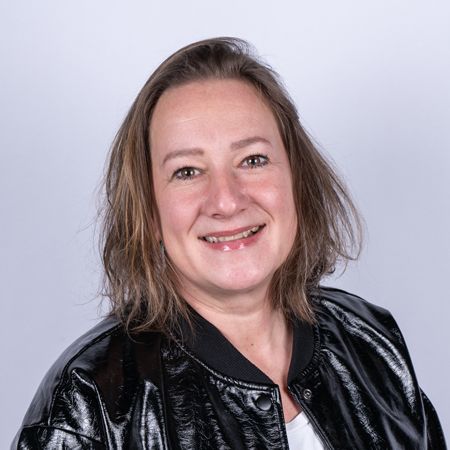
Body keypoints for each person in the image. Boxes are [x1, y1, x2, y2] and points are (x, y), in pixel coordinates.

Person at [13, 37, 446, 449]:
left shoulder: (373, 341)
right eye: (187, 171)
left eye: (253, 160)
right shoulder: (85, 404)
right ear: (149, 210)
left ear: (297, 180)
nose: (226, 200)